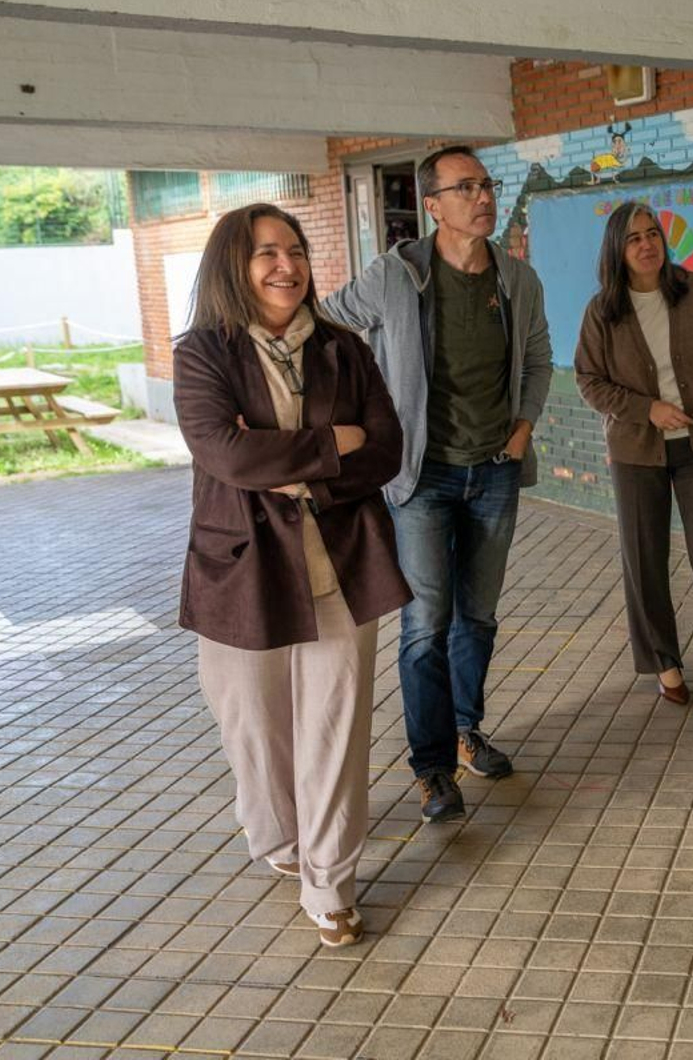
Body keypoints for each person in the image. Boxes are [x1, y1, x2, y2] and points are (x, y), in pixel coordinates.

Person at [174, 203, 411, 946]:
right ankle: (280, 838)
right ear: (233, 269)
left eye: (296, 249)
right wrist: (328, 444)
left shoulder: (344, 347)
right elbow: (227, 456)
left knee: (334, 730)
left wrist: (292, 464)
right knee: (254, 728)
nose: (288, 265)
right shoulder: (202, 354)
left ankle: (331, 880)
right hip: (241, 567)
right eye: (266, 254)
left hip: (341, 564)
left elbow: (386, 449)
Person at [321, 146, 552, 823]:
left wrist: (522, 428)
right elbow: (328, 322)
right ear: (433, 205)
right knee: (425, 622)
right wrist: (366, 417)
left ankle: (464, 726)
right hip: (421, 477)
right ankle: (431, 768)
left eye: (487, 184)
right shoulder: (397, 275)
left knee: (476, 616)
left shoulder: (517, 278)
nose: (483, 196)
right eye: (466, 187)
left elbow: (536, 357)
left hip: (496, 471)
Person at [574, 202, 693, 707]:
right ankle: (664, 661)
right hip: (638, 453)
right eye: (634, 238)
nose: (646, 245)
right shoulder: (602, 311)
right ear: (617, 249)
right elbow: (589, 382)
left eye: (653, 235)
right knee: (646, 562)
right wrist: (647, 409)